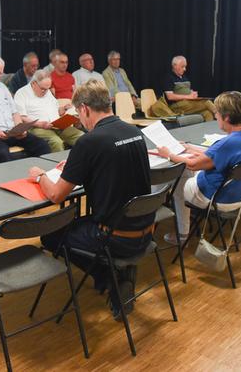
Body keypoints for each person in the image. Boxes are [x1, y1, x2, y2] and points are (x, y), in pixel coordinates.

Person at [27, 80, 151, 318]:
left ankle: (108, 277)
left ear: (84, 109)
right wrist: (78, 166)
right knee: (81, 223)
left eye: (78, 113)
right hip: (144, 230)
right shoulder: (135, 132)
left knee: (51, 237)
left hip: (114, 238)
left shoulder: (89, 142)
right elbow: (112, 167)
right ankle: (116, 275)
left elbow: (55, 195)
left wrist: (40, 175)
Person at [157, 91, 241, 244]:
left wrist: (168, 154)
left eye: (217, 114)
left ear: (226, 117)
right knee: (187, 168)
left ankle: (181, 232)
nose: (215, 117)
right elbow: (216, 155)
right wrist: (188, 148)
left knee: (180, 176)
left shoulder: (228, 143)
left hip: (217, 198)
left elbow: (193, 165)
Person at [14, 69, 83, 152]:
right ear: (34, 83)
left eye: (48, 88)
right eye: (43, 89)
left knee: (81, 137)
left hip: (56, 125)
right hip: (36, 127)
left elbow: (55, 111)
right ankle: (59, 164)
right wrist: (39, 124)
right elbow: (21, 116)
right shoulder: (21, 93)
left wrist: (63, 109)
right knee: (56, 142)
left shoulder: (47, 91)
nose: (45, 91)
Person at [164, 55, 216, 121]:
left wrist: (192, 93)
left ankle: (209, 131)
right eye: (182, 67)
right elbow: (170, 97)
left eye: (185, 66)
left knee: (207, 113)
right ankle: (220, 116)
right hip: (176, 106)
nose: (185, 69)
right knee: (206, 102)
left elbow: (186, 90)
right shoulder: (168, 78)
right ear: (174, 65)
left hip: (188, 103)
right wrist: (189, 96)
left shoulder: (184, 77)